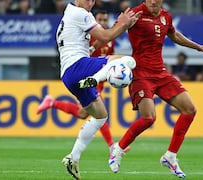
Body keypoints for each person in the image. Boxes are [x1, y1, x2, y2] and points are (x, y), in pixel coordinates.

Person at [98, 0, 203, 178]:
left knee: (190, 110)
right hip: (141, 73)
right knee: (149, 118)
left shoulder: (166, 16)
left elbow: (174, 36)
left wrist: (198, 47)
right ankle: (118, 150)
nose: (152, 1)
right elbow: (110, 34)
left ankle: (170, 156)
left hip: (161, 73)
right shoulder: (135, 13)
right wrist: (122, 24)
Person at [54, 1, 141, 179]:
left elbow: (101, 40)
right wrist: (122, 23)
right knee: (129, 61)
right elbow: (105, 36)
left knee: (101, 115)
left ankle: (73, 158)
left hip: (68, 75)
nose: (91, 2)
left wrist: (123, 25)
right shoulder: (80, 13)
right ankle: (96, 79)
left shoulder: (70, 13)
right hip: (77, 67)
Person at [36, 10, 129, 155]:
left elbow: (105, 45)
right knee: (100, 113)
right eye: (100, 20)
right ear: (95, 20)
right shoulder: (89, 33)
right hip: (89, 75)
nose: (103, 22)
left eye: (105, 20)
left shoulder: (109, 39)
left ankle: (52, 103)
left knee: (82, 113)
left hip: (101, 78)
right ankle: (111, 146)